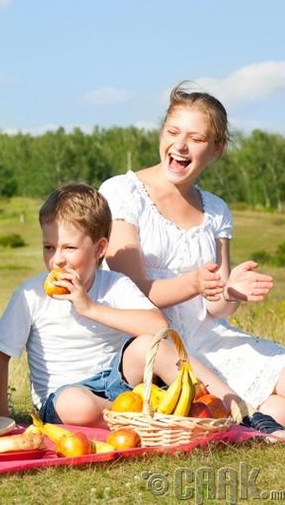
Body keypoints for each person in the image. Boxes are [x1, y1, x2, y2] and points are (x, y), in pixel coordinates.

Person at [99, 81, 285, 434]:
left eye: (196, 139)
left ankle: (256, 423)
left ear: (216, 148)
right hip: (156, 347)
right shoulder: (123, 193)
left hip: (211, 337)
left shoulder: (215, 210)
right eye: (173, 131)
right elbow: (133, 291)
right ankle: (249, 418)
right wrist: (194, 283)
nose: (180, 145)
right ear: (162, 132)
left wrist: (230, 293)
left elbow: (216, 307)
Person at [0, 183, 243, 427]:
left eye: (69, 248)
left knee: (151, 346)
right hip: (64, 399)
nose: (57, 260)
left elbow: (158, 326)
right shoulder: (31, 295)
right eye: (49, 247)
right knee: (76, 404)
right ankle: (150, 420)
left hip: (119, 386)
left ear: (100, 249)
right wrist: (4, 420)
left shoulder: (114, 284)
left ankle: (230, 408)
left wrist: (89, 307)